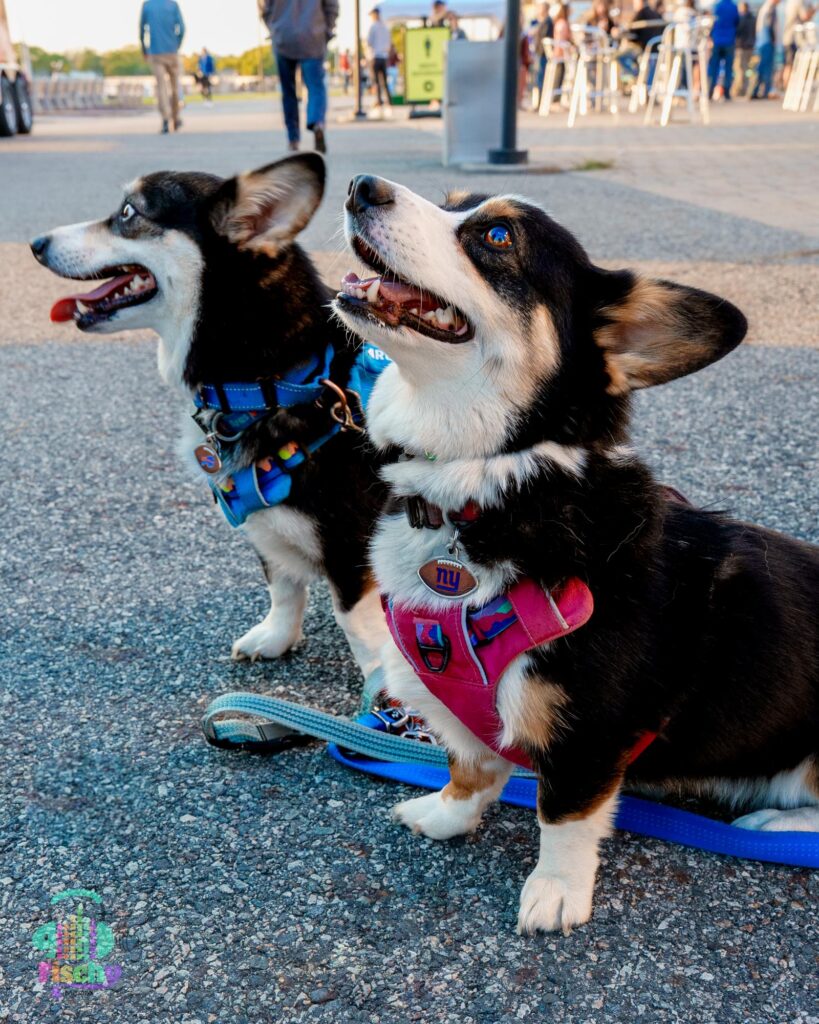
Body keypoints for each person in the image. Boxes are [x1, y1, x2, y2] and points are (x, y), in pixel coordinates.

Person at [259, 0, 338, 153]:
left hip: (283, 36)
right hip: (313, 36)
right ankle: (317, 123)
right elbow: (332, 6)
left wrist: (273, 27)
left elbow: (264, 7)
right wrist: (327, 29)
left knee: (288, 91)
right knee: (316, 87)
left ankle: (293, 138)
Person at [139, 0, 185, 134]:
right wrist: (177, 45)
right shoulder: (172, 5)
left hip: (155, 52)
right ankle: (175, 118)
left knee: (161, 87)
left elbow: (142, 29)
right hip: (172, 51)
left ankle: (165, 118)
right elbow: (181, 28)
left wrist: (144, 49)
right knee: (175, 86)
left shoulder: (147, 5)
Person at [707, 0, 739, 98]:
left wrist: (711, 36)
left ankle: (710, 90)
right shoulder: (733, 7)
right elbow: (737, 21)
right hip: (729, 40)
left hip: (717, 40)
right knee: (728, 68)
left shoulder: (716, 6)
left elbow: (711, 23)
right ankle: (727, 92)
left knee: (714, 67)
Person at [750, 0, 780, 98]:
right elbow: (770, 25)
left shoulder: (765, 7)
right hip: (767, 42)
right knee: (766, 68)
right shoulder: (770, 8)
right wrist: (774, 40)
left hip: (761, 41)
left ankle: (756, 90)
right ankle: (764, 91)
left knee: (760, 67)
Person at [783, 0, 816, 86]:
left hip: (788, 37)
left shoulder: (790, 2)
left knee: (789, 64)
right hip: (794, 38)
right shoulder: (798, 1)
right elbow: (805, 17)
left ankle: (788, 88)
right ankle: (789, 88)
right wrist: (815, 8)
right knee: (792, 64)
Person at [367, 7, 392, 115]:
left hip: (375, 56)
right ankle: (389, 101)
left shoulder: (373, 27)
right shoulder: (386, 27)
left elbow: (369, 42)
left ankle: (379, 101)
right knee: (385, 81)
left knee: (376, 81)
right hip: (384, 56)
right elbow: (389, 43)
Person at [732, 0, 756, 95]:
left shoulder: (742, 19)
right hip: (750, 46)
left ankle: (740, 90)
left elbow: (738, 32)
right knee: (746, 69)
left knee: (739, 69)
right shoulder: (753, 19)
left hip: (741, 46)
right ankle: (745, 88)